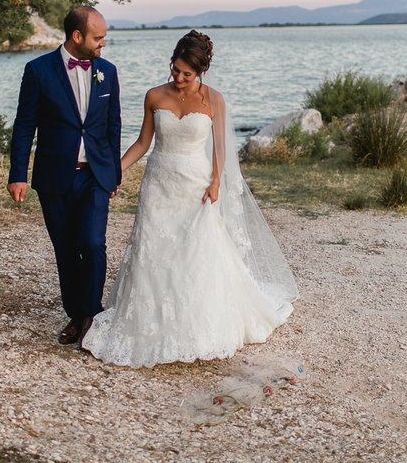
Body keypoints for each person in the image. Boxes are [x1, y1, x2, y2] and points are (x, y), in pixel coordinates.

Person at [82, 30, 298, 367]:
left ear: (201, 71)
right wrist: (116, 171)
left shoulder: (214, 100)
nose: (179, 78)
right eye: (176, 70)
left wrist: (215, 182)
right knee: (153, 249)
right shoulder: (155, 96)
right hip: (159, 185)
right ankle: (147, 322)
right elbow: (142, 143)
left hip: (196, 186)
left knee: (196, 251)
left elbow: (222, 148)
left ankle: (197, 322)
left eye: (187, 73)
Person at [8, 6, 121, 345]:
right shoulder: (38, 71)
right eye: (98, 38)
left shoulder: (108, 71)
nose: (103, 44)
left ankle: (92, 313)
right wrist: (18, 174)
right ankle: (76, 313)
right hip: (54, 175)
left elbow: (113, 125)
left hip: (95, 175)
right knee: (66, 248)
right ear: (77, 37)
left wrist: (113, 173)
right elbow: (25, 125)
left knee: (92, 242)